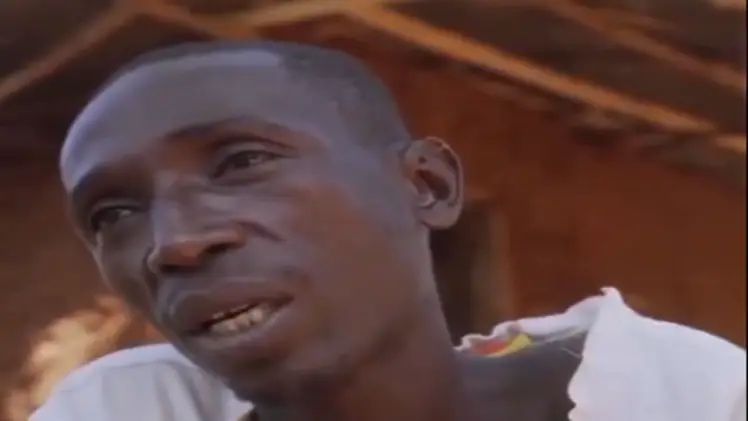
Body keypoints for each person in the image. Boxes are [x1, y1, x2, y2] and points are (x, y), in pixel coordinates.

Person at [33, 41, 745, 421]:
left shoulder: (685, 397)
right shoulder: (131, 409)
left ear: (426, 186)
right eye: (112, 214)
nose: (176, 243)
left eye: (243, 161)